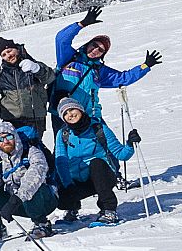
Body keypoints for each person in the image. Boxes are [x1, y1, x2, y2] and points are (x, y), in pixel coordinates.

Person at [51, 6, 160, 131]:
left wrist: (145, 66)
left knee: (106, 148)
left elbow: (124, 78)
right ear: (88, 44)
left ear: (102, 55)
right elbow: (61, 39)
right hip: (64, 114)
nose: (95, 50)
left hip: (90, 116)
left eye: (101, 50)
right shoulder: (69, 58)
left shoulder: (100, 71)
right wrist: (81, 24)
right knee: (66, 148)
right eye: (95, 45)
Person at [53, 97, 136, 226]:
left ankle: (108, 210)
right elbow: (61, 162)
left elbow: (121, 154)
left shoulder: (98, 128)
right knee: (60, 189)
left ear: (80, 109)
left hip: (103, 176)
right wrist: (68, 186)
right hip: (79, 180)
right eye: (65, 113)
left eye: (72, 109)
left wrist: (130, 144)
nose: (70, 114)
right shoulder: (63, 134)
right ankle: (72, 208)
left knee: (96, 163)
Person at [0, 37, 55, 139]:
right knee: (14, 153)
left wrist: (37, 69)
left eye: (9, 51)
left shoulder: (32, 65)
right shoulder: (1, 74)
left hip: (36, 119)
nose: (8, 55)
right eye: (4, 54)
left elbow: (50, 78)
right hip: (12, 120)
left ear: (16, 49)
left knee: (35, 151)